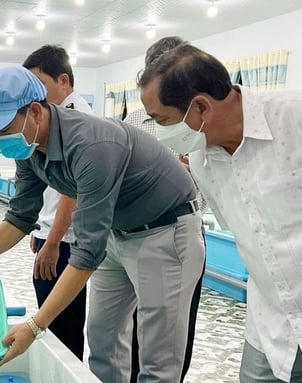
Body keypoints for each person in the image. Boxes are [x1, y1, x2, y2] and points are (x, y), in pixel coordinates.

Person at [0, 66, 206, 382]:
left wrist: (35, 325)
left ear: (35, 112)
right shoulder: (29, 149)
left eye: (4, 129)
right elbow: (20, 216)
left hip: (166, 230)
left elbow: (86, 255)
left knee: (157, 357)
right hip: (118, 232)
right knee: (102, 337)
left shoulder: (91, 145)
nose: (1, 140)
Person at [138, 43, 302, 383]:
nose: (162, 133)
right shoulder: (202, 161)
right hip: (270, 330)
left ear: (200, 106)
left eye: (162, 121)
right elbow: (244, 232)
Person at [122, 35, 204, 383]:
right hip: (135, 234)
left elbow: (206, 196)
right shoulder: (134, 121)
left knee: (174, 328)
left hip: (181, 229)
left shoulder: (200, 121)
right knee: (136, 323)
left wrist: (190, 174)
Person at [21, 44, 92, 361]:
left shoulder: (79, 122)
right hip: (52, 235)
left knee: (64, 327)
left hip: (66, 241)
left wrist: (51, 242)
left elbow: (72, 193)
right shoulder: (53, 121)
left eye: (41, 87)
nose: (35, 98)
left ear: (64, 81)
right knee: (55, 323)